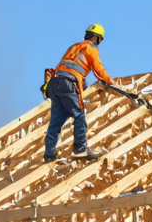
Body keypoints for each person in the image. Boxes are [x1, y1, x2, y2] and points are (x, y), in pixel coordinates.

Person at [45, 23, 112, 162]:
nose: (98, 43)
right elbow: (98, 70)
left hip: (55, 84)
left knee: (55, 122)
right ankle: (80, 148)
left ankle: (49, 155)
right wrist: (110, 82)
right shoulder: (91, 49)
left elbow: (70, 68)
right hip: (68, 84)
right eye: (99, 40)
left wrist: (82, 86)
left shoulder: (74, 47)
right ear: (95, 38)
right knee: (79, 116)